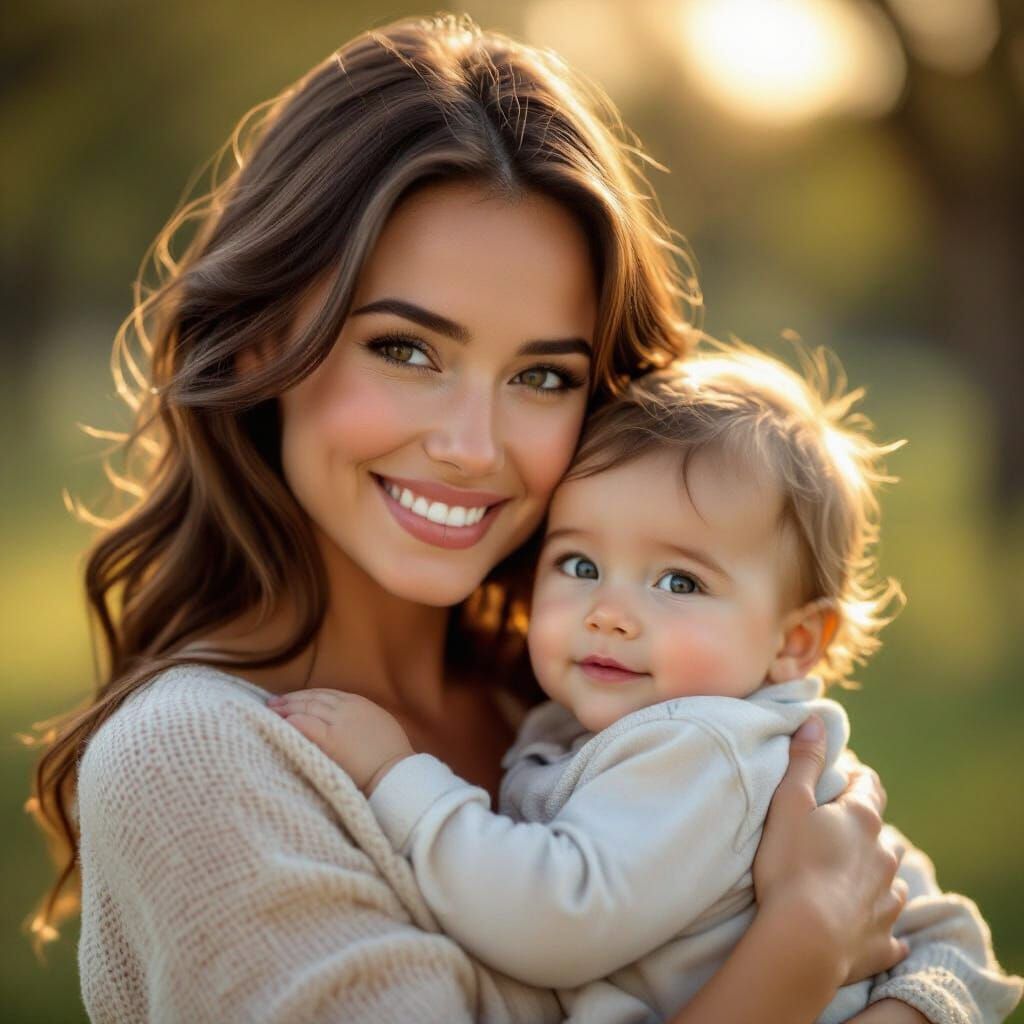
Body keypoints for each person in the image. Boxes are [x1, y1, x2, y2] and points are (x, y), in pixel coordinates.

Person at [26, 13, 1009, 1024]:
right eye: (406, 349)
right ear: (254, 346)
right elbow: (839, 916)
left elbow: (949, 957)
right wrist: (798, 946)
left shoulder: (588, 692)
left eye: (541, 374)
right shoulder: (194, 761)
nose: (472, 444)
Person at [270, 345, 1022, 1023]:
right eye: (581, 565)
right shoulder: (620, 724)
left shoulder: (705, 749)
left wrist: (398, 777)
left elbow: (556, 919)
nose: (612, 614)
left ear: (794, 641)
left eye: (678, 580)